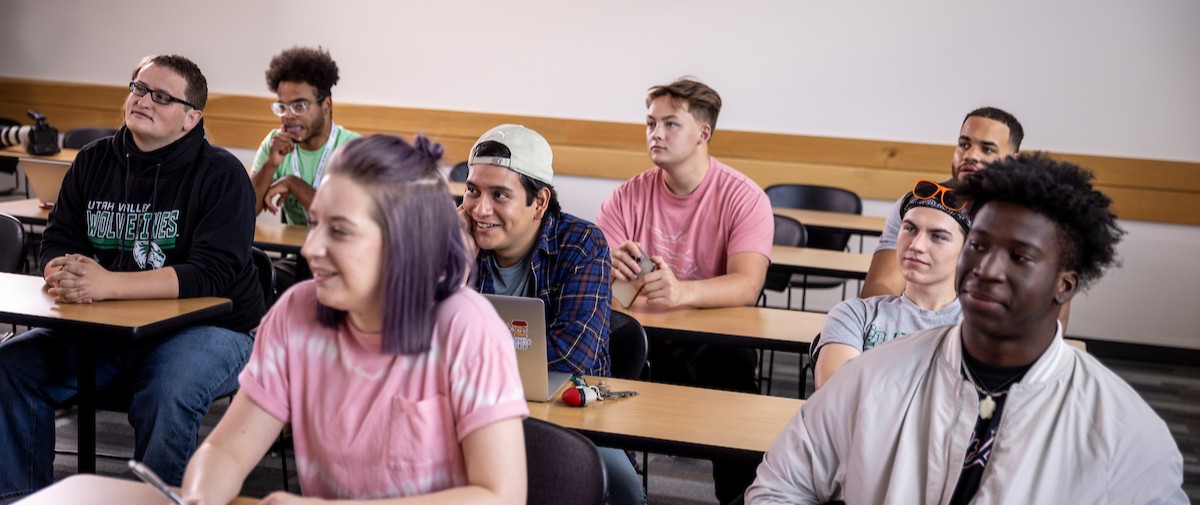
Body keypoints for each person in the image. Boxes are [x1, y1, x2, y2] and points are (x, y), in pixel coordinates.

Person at [746, 153, 1187, 504]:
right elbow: (780, 485)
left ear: (1064, 284)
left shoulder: (1121, 428)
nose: (987, 269)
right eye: (978, 245)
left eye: (1019, 256)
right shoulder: (876, 376)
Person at [182, 135, 528, 504]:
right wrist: (199, 498)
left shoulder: (468, 327)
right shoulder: (295, 313)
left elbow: (500, 496)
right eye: (315, 224)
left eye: (340, 231)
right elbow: (226, 452)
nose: (310, 249)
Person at [0, 54, 265, 498]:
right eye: (138, 88)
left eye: (161, 96)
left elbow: (213, 273)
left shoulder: (222, 175)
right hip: (104, 326)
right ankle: (21, 497)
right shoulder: (92, 161)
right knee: (9, 368)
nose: (143, 99)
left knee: (168, 389)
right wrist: (60, 272)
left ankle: (158, 500)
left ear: (190, 117)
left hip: (206, 328)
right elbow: (58, 239)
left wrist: (108, 285)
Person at [596, 77, 773, 505]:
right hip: (642, 334)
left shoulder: (744, 197)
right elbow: (602, 286)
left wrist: (681, 294)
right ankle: (616, 490)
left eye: (670, 124)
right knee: (596, 373)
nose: (655, 134)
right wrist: (608, 269)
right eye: (650, 123)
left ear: (703, 133)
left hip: (710, 339)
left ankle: (738, 499)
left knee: (734, 392)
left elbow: (747, 285)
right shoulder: (626, 196)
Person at [459, 124, 644, 505]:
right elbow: (416, 342)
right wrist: (458, 265)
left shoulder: (582, 243)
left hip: (572, 414)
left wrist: (470, 357)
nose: (479, 209)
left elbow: (572, 357)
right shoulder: (454, 238)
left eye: (499, 195)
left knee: (624, 494)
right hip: (475, 412)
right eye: (472, 190)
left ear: (539, 203)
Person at [813, 179, 971, 389]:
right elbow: (835, 403)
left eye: (938, 236)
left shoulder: (981, 331)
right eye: (910, 228)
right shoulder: (854, 316)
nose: (916, 245)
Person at [861, 107, 1021, 298]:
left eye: (987, 149)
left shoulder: (1031, 219)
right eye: (964, 144)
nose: (970, 155)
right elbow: (881, 288)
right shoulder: (918, 204)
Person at [249, 46, 360, 225]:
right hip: (295, 251)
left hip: (338, 252)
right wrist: (271, 165)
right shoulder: (275, 143)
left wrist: (293, 183)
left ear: (326, 105)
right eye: (282, 107)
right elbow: (245, 210)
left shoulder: (353, 149)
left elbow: (339, 220)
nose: (288, 115)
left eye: (299, 106)